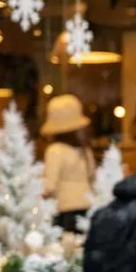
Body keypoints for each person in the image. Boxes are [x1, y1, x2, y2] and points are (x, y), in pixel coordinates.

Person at [40, 93, 96, 233]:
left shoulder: (55, 150)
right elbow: (93, 177)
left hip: (64, 210)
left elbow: (50, 185)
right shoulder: (85, 150)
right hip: (87, 206)